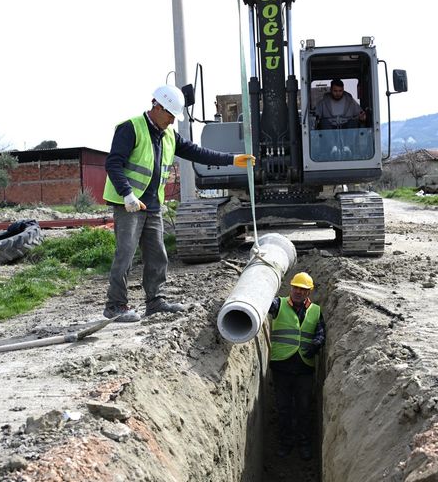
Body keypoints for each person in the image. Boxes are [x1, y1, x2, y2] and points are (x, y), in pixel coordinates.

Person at [102, 84, 255, 322]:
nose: (173, 121)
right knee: (126, 255)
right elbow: (113, 163)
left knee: (157, 255)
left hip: (151, 205)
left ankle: (155, 301)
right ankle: (115, 306)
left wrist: (232, 159)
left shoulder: (169, 136)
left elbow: (198, 153)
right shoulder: (131, 128)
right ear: (158, 106)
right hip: (129, 204)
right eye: (171, 115)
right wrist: (127, 194)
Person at [268, 271, 326, 461]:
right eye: (295, 288)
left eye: (302, 289)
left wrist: (316, 344)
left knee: (303, 408)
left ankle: (304, 443)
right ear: (290, 287)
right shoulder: (278, 304)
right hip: (282, 367)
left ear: (309, 292)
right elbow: (265, 304)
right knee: (284, 409)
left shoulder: (316, 311)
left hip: (304, 368)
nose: (298, 292)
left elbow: (320, 333)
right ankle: (286, 443)